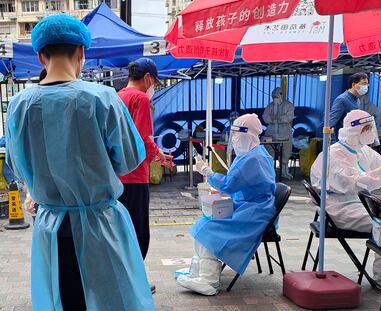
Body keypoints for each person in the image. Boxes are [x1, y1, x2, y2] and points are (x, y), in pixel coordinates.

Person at [5, 14, 154, 310]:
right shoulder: (103, 98)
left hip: (51, 225)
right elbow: (127, 160)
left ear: (40, 56)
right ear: (81, 52)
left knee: (65, 297)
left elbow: (19, 168)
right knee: (112, 298)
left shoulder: (20, 105)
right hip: (101, 224)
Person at [311, 109, 381, 287]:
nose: (372, 132)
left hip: (358, 204)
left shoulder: (362, 150)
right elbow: (355, 183)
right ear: (354, 130)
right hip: (339, 209)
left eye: (371, 127)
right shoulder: (335, 155)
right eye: (367, 129)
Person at [176, 114, 276, 295]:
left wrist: (207, 171)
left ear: (251, 134)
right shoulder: (252, 153)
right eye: (233, 134)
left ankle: (208, 281)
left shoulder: (253, 158)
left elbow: (229, 185)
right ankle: (198, 271)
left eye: (239, 134)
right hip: (247, 205)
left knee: (211, 228)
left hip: (255, 212)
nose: (235, 139)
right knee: (204, 222)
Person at [117, 59, 171, 292]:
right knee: (138, 231)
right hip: (135, 176)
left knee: (121, 230)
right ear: (148, 78)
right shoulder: (139, 99)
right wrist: (160, 156)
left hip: (117, 177)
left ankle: (121, 277)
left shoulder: (118, 96)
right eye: (155, 84)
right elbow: (143, 139)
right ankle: (134, 282)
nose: (154, 88)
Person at [263, 87, 295, 180]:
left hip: (285, 133)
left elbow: (289, 118)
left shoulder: (288, 105)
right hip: (271, 133)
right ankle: (270, 172)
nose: (275, 98)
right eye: (273, 97)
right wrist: (276, 118)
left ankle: (284, 171)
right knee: (269, 152)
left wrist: (276, 117)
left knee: (285, 152)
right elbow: (265, 117)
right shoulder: (270, 106)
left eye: (276, 96)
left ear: (281, 95)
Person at [329, 72, 368, 141]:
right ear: (353, 85)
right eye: (363, 84)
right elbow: (330, 123)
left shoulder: (357, 100)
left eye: (367, 84)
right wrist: (334, 143)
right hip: (341, 142)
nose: (366, 86)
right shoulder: (342, 100)